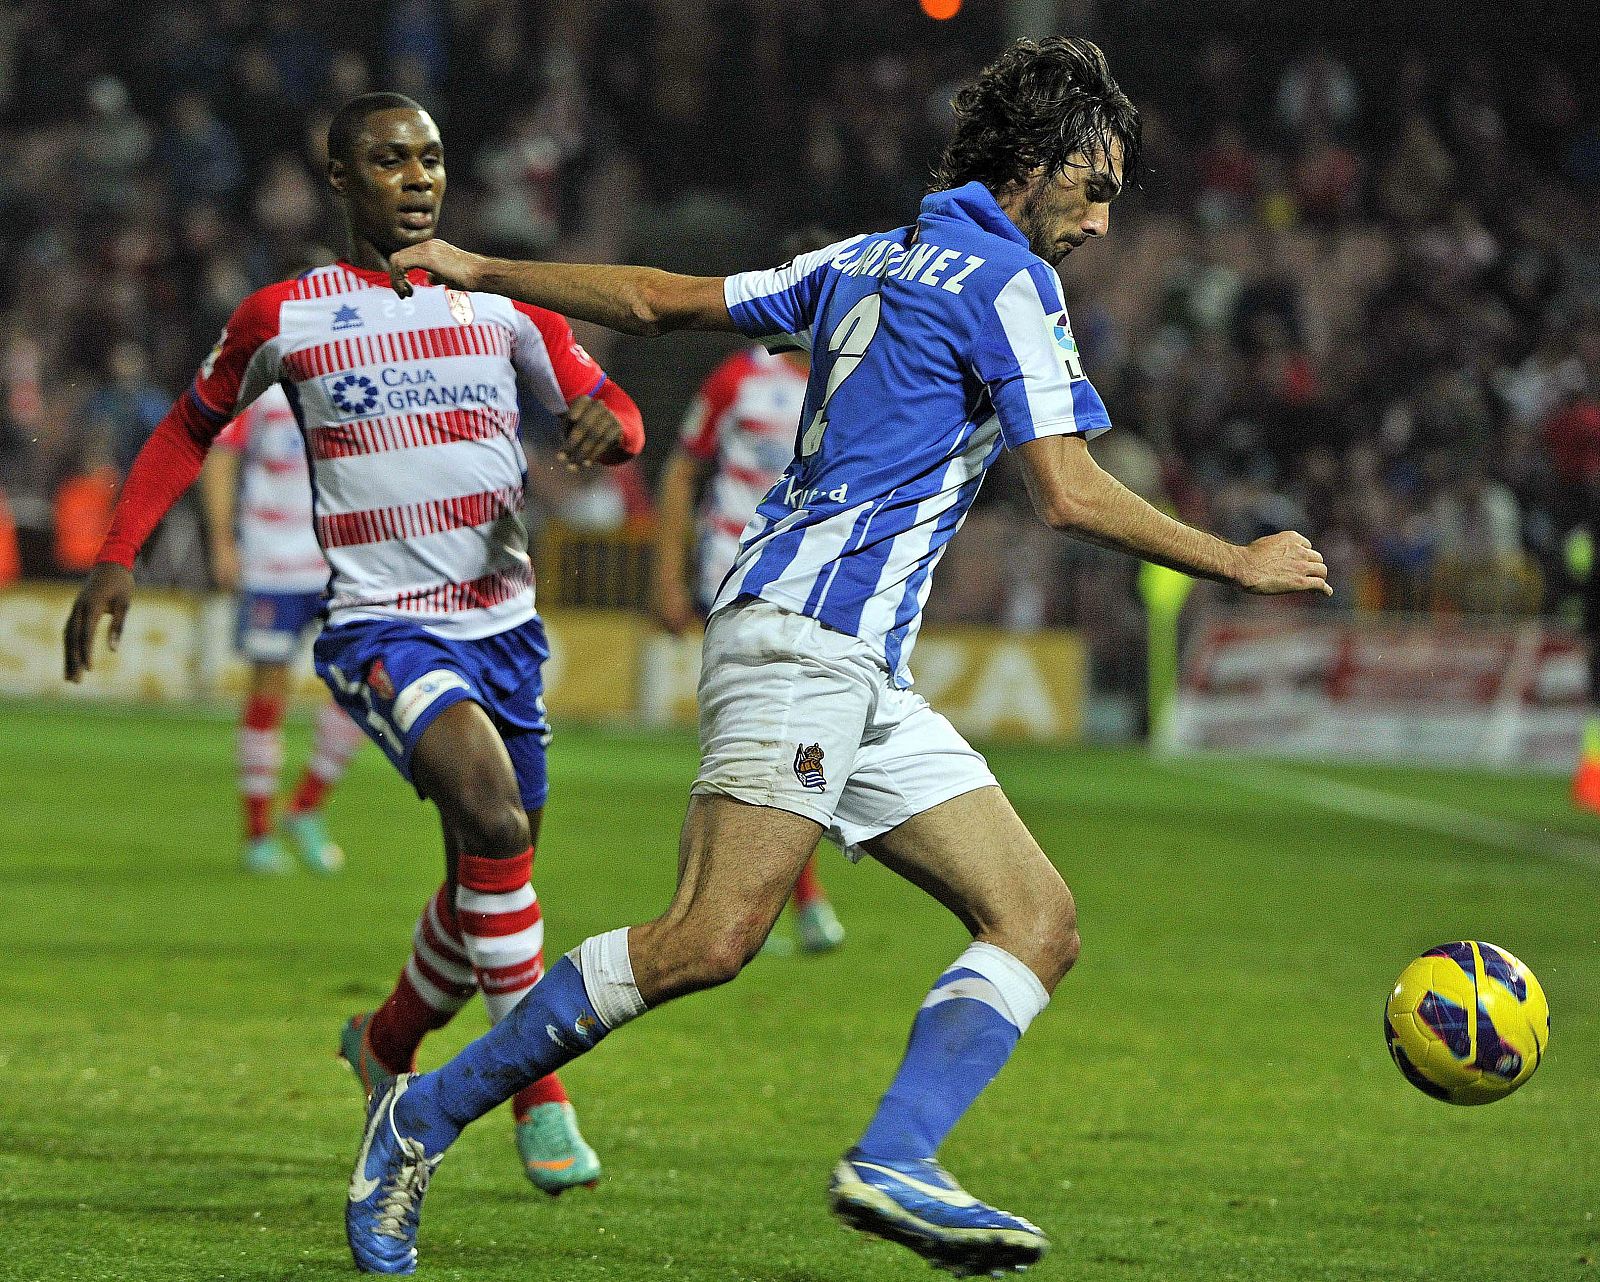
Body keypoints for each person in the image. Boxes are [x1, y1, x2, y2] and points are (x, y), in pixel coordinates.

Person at [350, 38, 1332, 1278]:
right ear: (1030, 169)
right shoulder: (1011, 282)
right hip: (809, 638)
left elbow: (662, 298)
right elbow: (1069, 493)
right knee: (706, 938)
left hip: (853, 660)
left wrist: (485, 265)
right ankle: (420, 1113)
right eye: (1092, 183)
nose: (1099, 215)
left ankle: (898, 1159)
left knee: (1035, 917)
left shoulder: (865, 254)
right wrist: (1235, 560)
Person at [62, 92, 647, 1202]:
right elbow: (192, 424)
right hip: (383, 626)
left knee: (485, 868)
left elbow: (610, 403)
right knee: (491, 816)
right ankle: (536, 1091)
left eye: (430, 157)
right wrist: (117, 553)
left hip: (506, 633)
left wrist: (609, 427)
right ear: (340, 179)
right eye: (390, 161)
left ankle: (381, 1046)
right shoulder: (285, 316)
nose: (419, 178)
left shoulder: (503, 299)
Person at [652, 230, 846, 957]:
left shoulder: (855, 382)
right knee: (771, 734)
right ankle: (799, 898)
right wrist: (668, 578)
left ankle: (748, 896)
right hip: (733, 580)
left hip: (819, 583)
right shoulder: (737, 379)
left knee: (788, 736)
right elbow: (681, 472)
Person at [199, 383, 365, 875]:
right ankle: (257, 836)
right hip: (271, 559)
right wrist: (222, 542)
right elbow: (221, 456)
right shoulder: (260, 384)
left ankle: (306, 807)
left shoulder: (349, 374)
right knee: (269, 690)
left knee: (365, 685)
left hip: (342, 561)